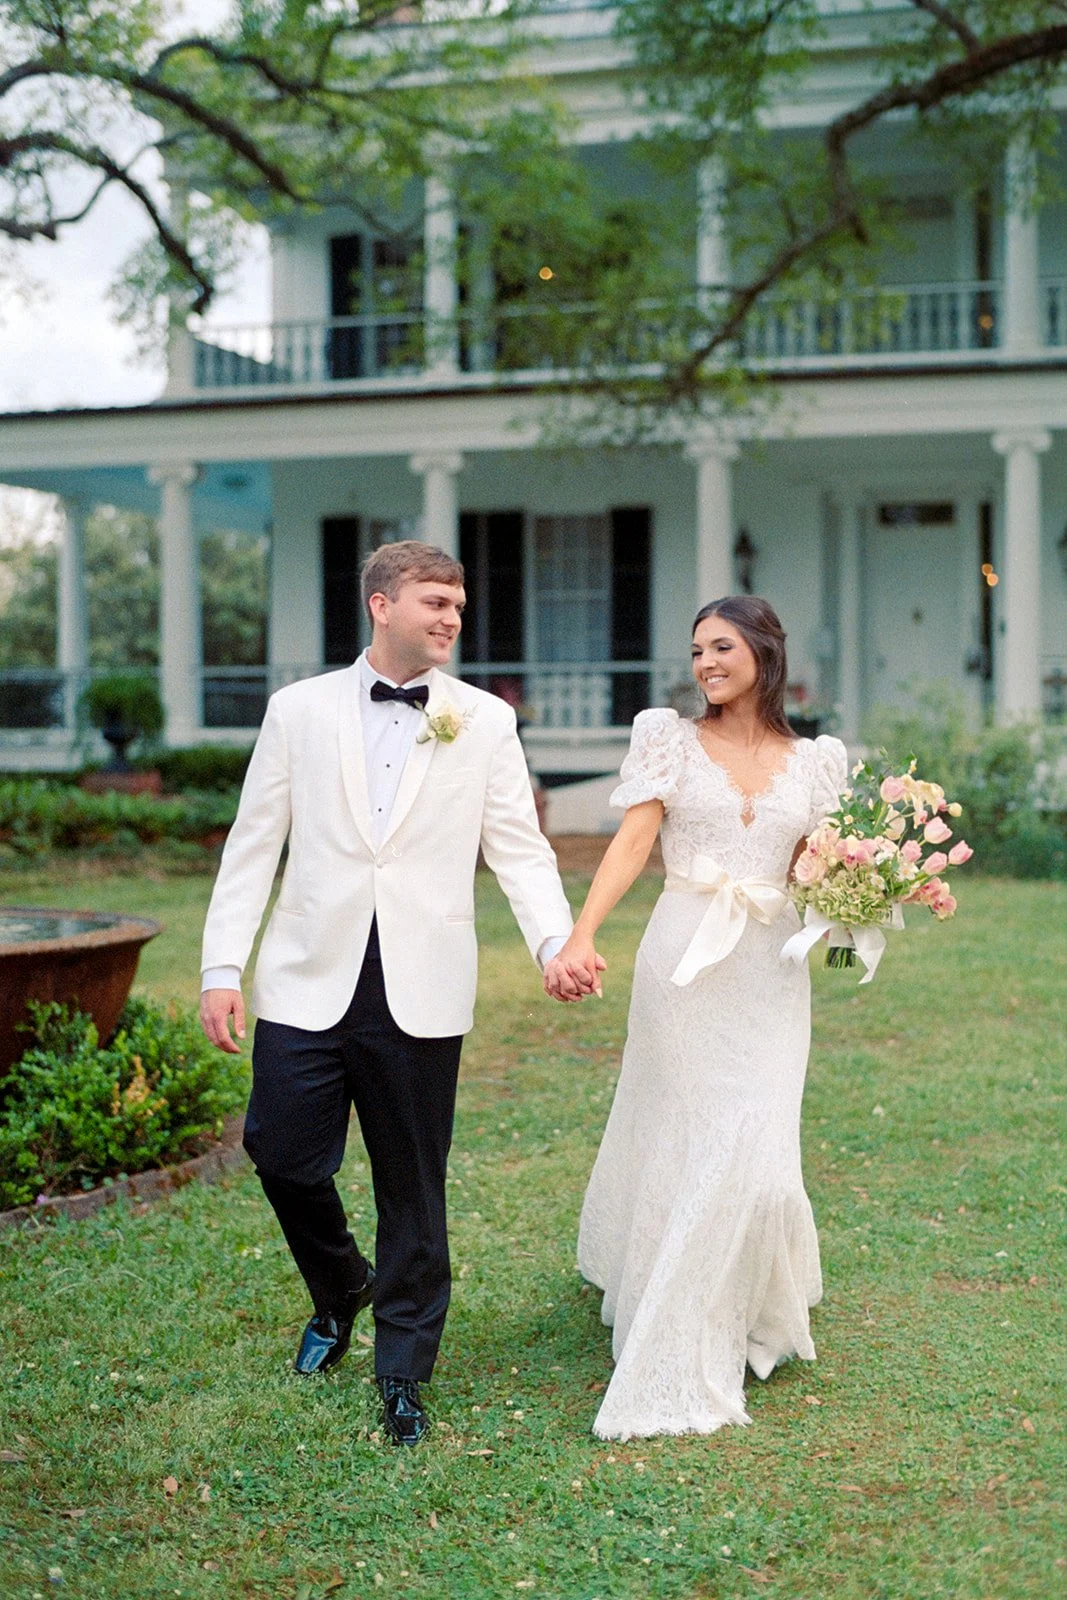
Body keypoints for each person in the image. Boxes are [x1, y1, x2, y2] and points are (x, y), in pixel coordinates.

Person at [200, 541, 592, 1446]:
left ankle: (404, 1372)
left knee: (412, 1185)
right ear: (381, 605)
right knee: (280, 1150)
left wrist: (551, 942)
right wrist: (224, 966)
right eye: (434, 601)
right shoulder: (296, 711)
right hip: (306, 978)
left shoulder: (485, 721)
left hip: (422, 984)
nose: (452, 616)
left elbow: (518, 847)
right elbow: (253, 844)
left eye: (458, 603)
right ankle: (340, 1286)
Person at [544, 596, 847, 1440]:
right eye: (696, 650)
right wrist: (581, 932)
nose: (705, 662)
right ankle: (670, 1311)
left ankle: (745, 1301)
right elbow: (634, 842)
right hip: (682, 962)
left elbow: (817, 865)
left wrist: (875, 892)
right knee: (687, 1136)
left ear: (762, 651)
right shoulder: (667, 738)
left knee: (762, 1156)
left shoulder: (817, 760)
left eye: (722, 646)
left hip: (771, 970)